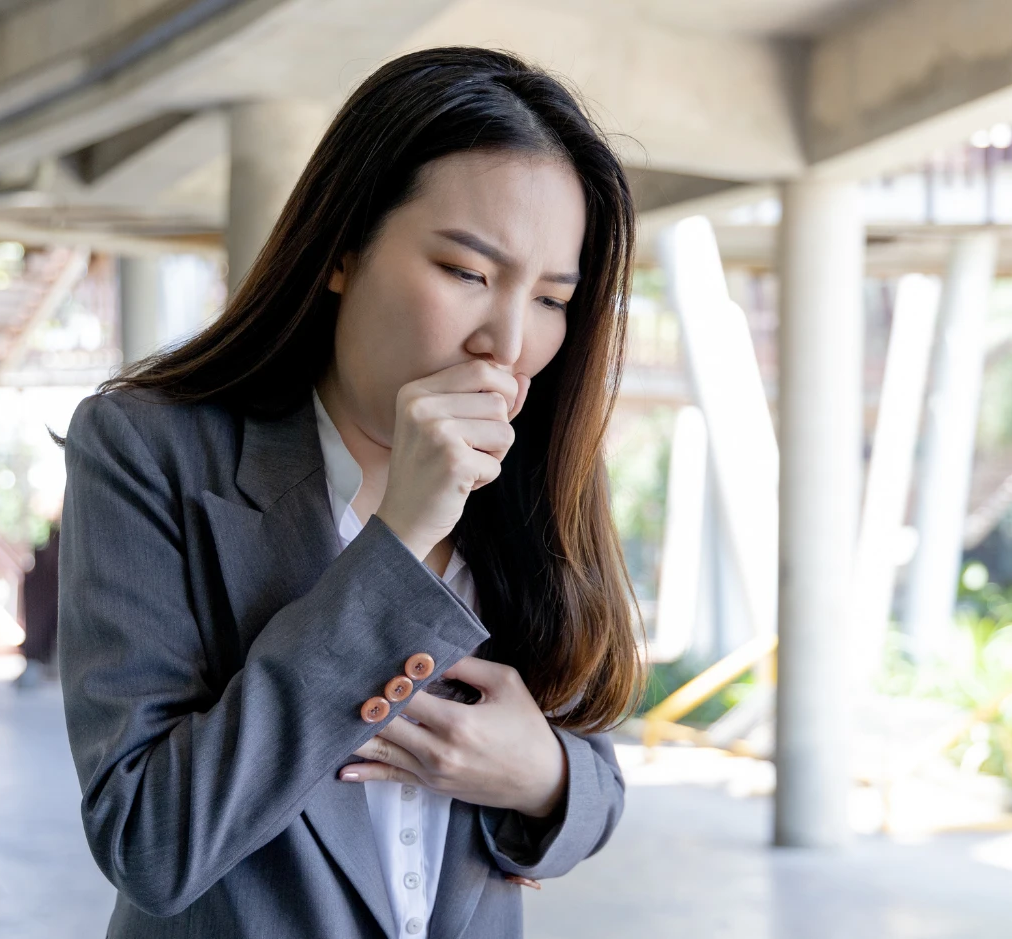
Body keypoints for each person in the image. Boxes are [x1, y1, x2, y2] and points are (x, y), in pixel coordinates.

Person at [54, 46, 645, 939]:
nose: (508, 340)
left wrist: (545, 778)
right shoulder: (149, 449)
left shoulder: (531, 475)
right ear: (343, 249)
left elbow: (596, 777)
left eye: (554, 297)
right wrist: (400, 539)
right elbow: (150, 840)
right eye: (468, 272)